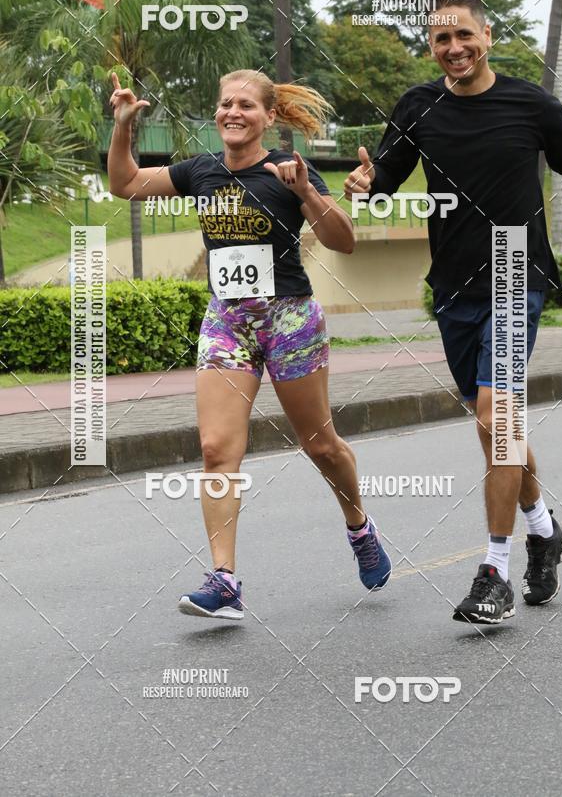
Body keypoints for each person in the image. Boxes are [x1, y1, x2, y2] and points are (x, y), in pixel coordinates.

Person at [344, 0, 562, 625]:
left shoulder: (531, 104)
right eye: (441, 38)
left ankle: (495, 571)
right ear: (431, 45)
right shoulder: (417, 106)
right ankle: (545, 528)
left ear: (488, 37)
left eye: (464, 35)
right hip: (452, 286)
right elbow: (387, 185)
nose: (454, 48)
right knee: (494, 428)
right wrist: (365, 185)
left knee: (495, 418)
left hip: (518, 270)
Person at [107, 68, 392, 620]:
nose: (232, 113)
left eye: (245, 105)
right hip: (227, 321)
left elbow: (344, 242)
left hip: (289, 319)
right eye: (224, 105)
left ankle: (359, 526)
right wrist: (122, 128)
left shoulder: (287, 171)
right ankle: (225, 581)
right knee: (217, 450)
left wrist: (306, 190)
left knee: (320, 445)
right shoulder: (201, 171)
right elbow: (125, 185)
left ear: (268, 117)